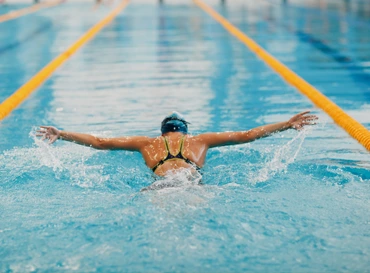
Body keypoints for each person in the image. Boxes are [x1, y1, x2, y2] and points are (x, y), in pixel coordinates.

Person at [37, 111, 318, 177]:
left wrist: (61, 133)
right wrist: (286, 124)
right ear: (184, 131)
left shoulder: (146, 143)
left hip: (159, 183)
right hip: (190, 180)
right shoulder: (199, 140)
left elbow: (100, 142)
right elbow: (247, 135)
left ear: (163, 132)